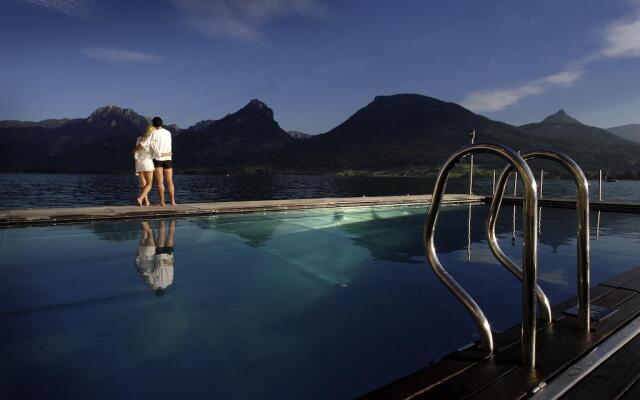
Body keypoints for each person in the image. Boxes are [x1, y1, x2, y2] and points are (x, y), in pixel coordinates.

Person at [149, 116, 176, 206]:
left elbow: (152, 146)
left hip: (158, 159)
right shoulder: (168, 132)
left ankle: (162, 202)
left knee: (160, 182)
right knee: (170, 181)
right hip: (168, 158)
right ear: (162, 123)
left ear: (153, 124)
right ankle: (173, 202)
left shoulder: (153, 133)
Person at [132, 124, 156, 206]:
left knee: (143, 184)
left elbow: (135, 151)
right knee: (149, 184)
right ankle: (140, 198)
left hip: (139, 162)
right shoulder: (151, 140)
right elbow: (156, 153)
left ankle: (146, 202)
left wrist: (136, 159)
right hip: (148, 162)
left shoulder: (139, 138)